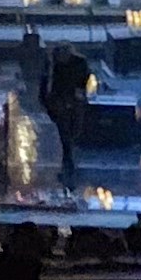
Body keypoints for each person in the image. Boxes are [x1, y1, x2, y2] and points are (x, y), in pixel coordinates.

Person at [40, 40, 96, 179]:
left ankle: (69, 154)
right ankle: (68, 157)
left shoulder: (78, 63)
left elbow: (84, 79)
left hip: (72, 99)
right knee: (64, 129)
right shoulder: (53, 64)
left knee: (74, 128)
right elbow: (47, 82)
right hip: (59, 101)